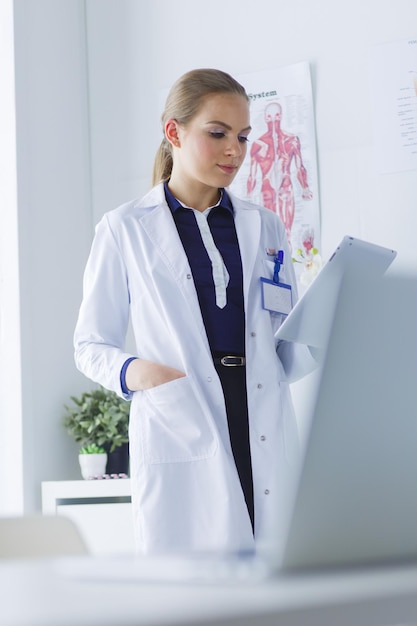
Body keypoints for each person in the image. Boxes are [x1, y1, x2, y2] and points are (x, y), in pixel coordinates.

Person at [74, 68, 316, 555]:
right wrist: (137, 372)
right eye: (218, 133)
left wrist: (327, 328)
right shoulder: (124, 229)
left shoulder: (264, 225)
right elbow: (89, 345)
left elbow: (282, 342)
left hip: (259, 414)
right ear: (174, 132)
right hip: (181, 414)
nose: (236, 150)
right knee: (195, 590)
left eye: (244, 137)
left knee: (276, 581)